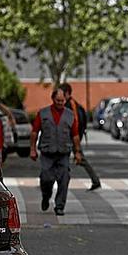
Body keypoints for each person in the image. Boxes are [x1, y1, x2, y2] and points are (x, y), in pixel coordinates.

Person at [30, 88, 83, 216]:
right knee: (46, 178)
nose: (60, 103)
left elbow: (75, 135)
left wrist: (77, 152)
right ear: (53, 99)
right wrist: (32, 149)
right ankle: (46, 196)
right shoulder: (43, 113)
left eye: (62, 101)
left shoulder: (70, 115)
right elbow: (34, 132)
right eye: (58, 100)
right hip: (47, 153)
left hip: (63, 153)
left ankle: (59, 206)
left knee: (64, 180)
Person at [60, 83, 101, 191]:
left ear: (67, 93)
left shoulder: (71, 105)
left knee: (75, 158)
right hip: (72, 137)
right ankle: (95, 180)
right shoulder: (71, 104)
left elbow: (75, 123)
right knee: (73, 159)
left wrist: (75, 138)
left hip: (72, 137)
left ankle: (95, 180)